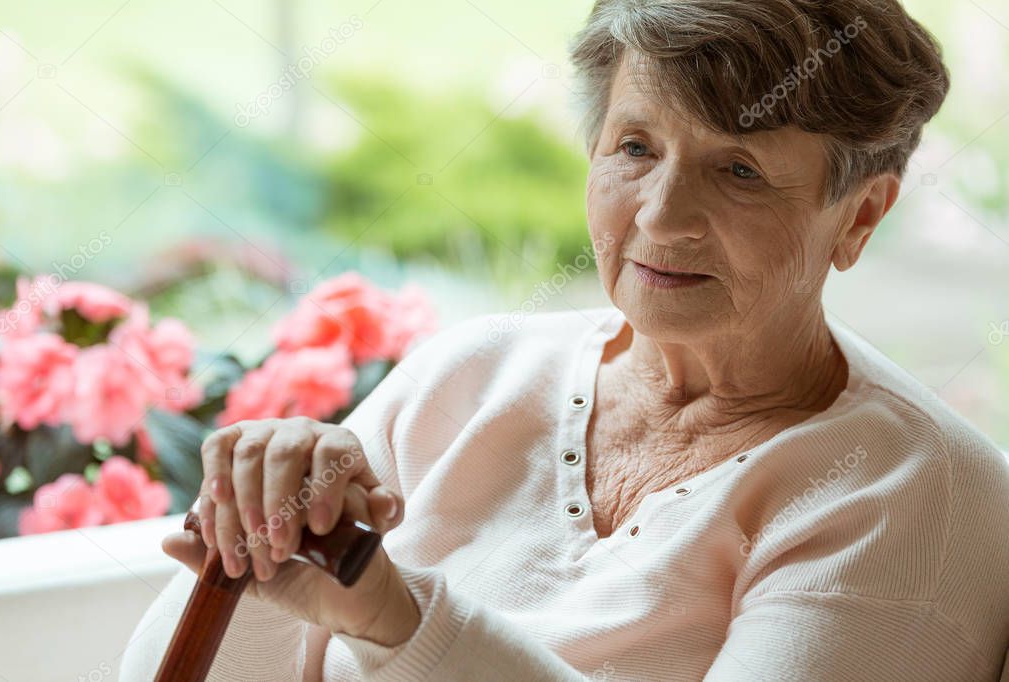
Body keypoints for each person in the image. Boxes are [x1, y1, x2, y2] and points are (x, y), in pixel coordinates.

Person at [120, 1, 1009, 679]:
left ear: (857, 215)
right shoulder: (473, 374)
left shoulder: (907, 495)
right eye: (633, 147)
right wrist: (258, 548)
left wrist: (399, 621)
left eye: (737, 170)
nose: (662, 216)